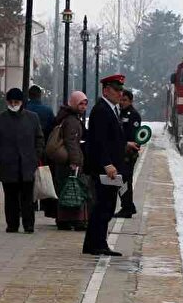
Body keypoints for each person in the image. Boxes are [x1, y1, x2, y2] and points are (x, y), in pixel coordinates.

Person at [83, 75, 138, 256]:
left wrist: (125, 144)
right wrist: (107, 164)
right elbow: (98, 141)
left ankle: (96, 243)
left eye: (121, 90)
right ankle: (97, 244)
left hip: (111, 166)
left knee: (106, 205)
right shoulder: (102, 110)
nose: (120, 93)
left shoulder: (112, 109)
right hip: (105, 169)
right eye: (116, 89)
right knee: (103, 206)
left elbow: (111, 138)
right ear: (106, 90)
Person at [0, 87, 44, 234]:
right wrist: (0, 155)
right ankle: (12, 224)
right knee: (11, 198)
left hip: (27, 164)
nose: (14, 104)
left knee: (27, 199)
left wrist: (35, 156)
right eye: (11, 101)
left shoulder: (32, 118)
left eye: (16, 101)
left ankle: (28, 224)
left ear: (22, 102)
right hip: (8, 165)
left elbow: (39, 139)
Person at [47, 91, 88, 231]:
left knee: (64, 189)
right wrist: (75, 161)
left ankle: (63, 219)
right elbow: (72, 142)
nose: (83, 107)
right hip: (69, 162)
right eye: (80, 103)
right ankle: (75, 219)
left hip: (62, 161)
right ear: (73, 103)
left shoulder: (67, 117)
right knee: (73, 189)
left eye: (85, 104)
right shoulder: (72, 120)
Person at [26, 85, 58, 220]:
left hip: (27, 147)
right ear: (40, 96)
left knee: (29, 177)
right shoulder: (47, 110)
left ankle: (30, 202)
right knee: (43, 175)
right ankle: (44, 201)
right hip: (43, 147)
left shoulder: (25, 109)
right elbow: (52, 128)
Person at [115, 89, 142, 218]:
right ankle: (127, 205)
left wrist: (128, 145)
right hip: (121, 151)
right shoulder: (120, 113)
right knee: (122, 180)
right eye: (121, 99)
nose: (122, 102)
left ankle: (127, 207)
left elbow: (135, 135)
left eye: (125, 100)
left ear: (131, 101)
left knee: (125, 180)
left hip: (128, 153)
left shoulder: (133, 115)